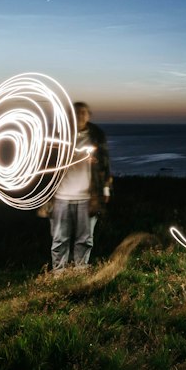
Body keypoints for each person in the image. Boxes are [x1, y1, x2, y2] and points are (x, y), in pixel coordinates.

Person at [49, 100, 112, 271]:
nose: (79, 116)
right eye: (75, 113)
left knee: (84, 239)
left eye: (83, 113)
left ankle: (80, 271)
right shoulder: (58, 136)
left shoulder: (97, 137)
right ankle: (58, 273)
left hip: (87, 197)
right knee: (59, 238)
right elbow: (46, 163)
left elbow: (105, 164)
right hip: (61, 196)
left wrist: (105, 189)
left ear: (88, 116)